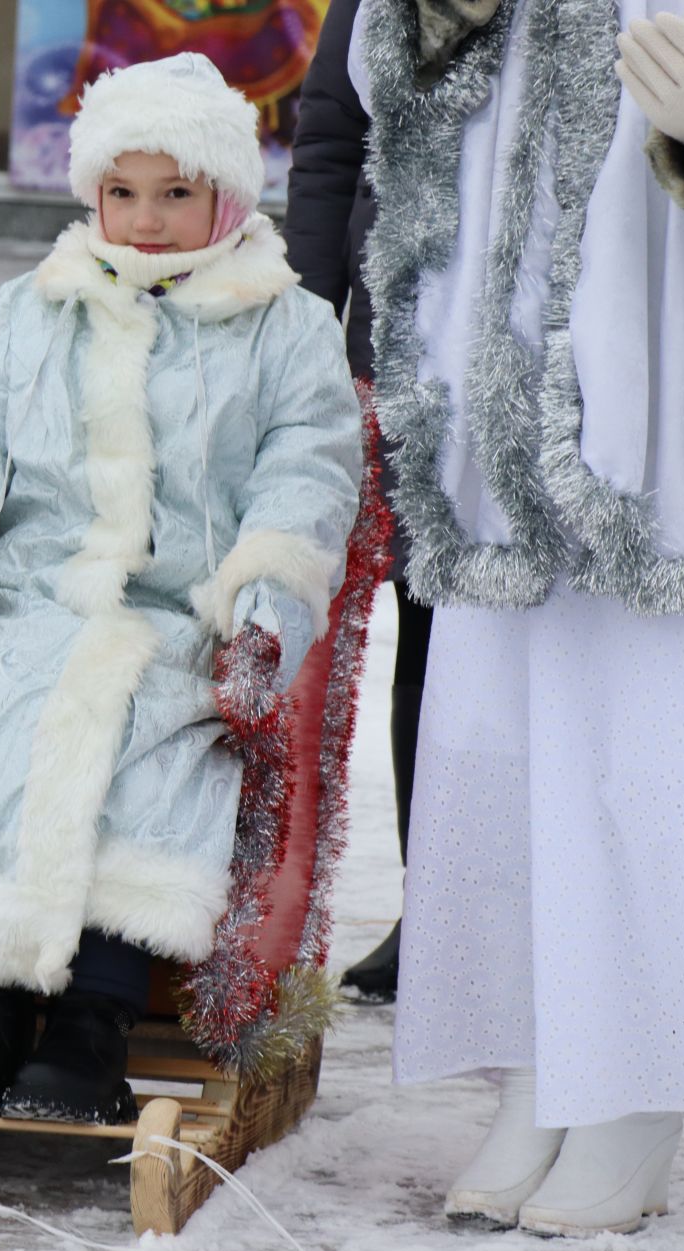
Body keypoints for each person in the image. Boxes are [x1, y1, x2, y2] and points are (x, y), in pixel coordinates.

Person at [0, 54, 362, 1125]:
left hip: (182, 624)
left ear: (227, 197)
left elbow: (307, 480)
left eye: (176, 194)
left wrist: (264, 604)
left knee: (138, 759)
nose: (145, 223)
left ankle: (93, 1018)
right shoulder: (38, 307)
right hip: (31, 607)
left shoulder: (284, 327)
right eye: (123, 193)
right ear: (91, 193)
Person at [356, 0, 684, 1236]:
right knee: (503, 731)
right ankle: (536, 1062)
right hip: (500, 358)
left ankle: (637, 1081)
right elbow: (378, 76)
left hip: (666, 350)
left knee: (660, 728)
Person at [282, 0, 427, 1002]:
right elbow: (334, 136)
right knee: (431, 639)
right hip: (402, 340)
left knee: (523, 649)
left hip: (554, 355)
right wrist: (304, 323)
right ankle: (440, 904)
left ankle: (547, 906)